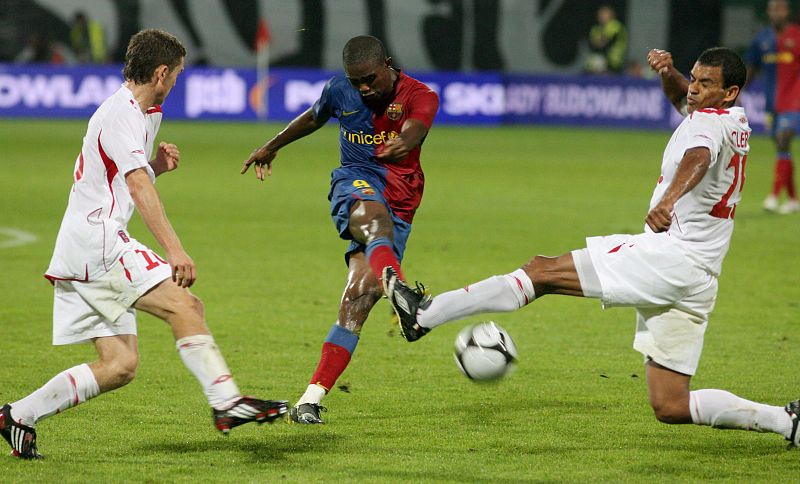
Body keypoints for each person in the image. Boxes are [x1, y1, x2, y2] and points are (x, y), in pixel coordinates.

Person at [384, 47, 800, 448]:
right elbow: (684, 100)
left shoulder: (706, 126)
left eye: (706, 83)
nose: (693, 88)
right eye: (693, 78)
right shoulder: (733, 121)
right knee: (671, 404)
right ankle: (788, 422)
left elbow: (699, 157)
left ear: (730, 92)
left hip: (671, 257)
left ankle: (424, 315)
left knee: (541, 272)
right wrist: (668, 73)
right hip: (698, 276)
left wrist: (669, 200)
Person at [0, 29, 287, 460]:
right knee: (186, 306)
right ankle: (227, 402)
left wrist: (156, 167)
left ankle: (17, 415)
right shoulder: (122, 114)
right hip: (99, 243)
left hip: (81, 247)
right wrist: (175, 249)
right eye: (178, 74)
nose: (178, 82)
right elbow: (135, 186)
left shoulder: (145, 112)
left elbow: (118, 175)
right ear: (161, 72)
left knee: (119, 366)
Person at [241, 35, 438, 424]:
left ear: (387, 64)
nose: (363, 88)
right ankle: (397, 287)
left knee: (357, 301)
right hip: (355, 180)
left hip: (402, 199)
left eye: (369, 79)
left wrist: (402, 142)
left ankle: (309, 400)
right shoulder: (339, 90)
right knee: (373, 220)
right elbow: (314, 116)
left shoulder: (420, 95)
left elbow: (416, 128)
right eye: (355, 81)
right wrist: (273, 145)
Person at [748, 0, 800, 214]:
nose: (776, 13)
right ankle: (793, 199)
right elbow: (752, 68)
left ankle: (774, 196)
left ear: (786, 11)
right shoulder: (762, 39)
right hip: (771, 103)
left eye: (779, 9)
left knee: (783, 139)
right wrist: (738, 91)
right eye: (772, 9)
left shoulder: (797, 35)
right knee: (782, 148)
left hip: (794, 100)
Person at [585, 4, 628, 75]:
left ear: (612, 15)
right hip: (596, 63)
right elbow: (592, 46)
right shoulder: (595, 29)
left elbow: (606, 44)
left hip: (613, 63)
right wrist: (599, 43)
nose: (602, 16)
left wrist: (599, 42)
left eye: (605, 13)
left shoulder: (617, 27)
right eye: (600, 14)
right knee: (591, 65)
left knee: (599, 62)